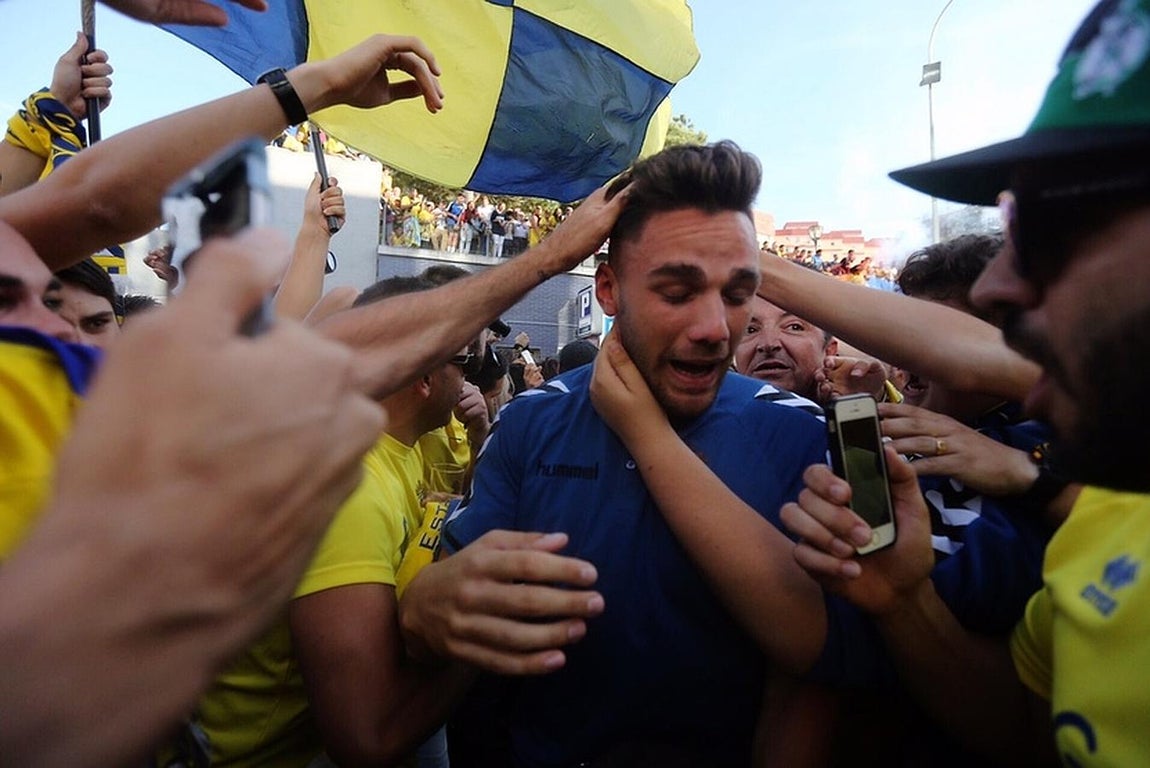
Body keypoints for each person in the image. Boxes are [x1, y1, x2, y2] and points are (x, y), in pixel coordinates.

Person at [784, 0, 1150, 763]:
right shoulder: (1108, 519)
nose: (996, 289)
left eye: (1041, 224)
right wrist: (905, 600)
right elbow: (1025, 733)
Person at [400, 141, 827, 766]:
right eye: (678, 292)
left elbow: (825, 672)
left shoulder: (799, 433)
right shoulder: (529, 423)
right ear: (607, 288)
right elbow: (437, 624)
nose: (715, 327)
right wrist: (424, 610)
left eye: (737, 294)